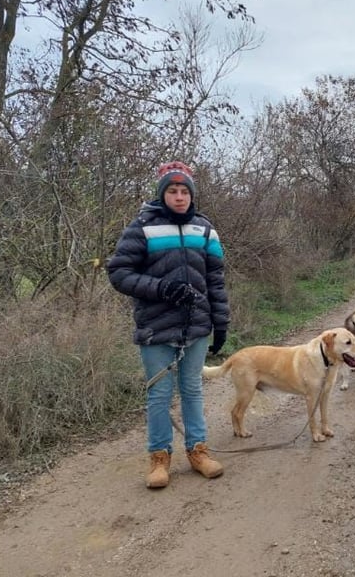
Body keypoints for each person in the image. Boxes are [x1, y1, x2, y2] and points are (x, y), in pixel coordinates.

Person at [108, 161, 230, 489]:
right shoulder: (142, 227)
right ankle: (159, 458)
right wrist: (161, 288)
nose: (179, 197)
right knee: (159, 394)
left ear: (192, 194)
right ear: (163, 194)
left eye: (185, 191)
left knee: (191, 390)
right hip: (155, 327)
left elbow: (215, 280)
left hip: (197, 327)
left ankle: (198, 451)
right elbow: (118, 272)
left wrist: (221, 323)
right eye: (173, 191)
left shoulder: (205, 229)